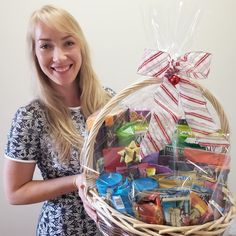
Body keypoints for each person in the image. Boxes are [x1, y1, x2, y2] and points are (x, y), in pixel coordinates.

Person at [3, 4, 114, 236]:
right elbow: (15, 192)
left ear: (81, 46)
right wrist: (76, 181)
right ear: (35, 53)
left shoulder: (109, 102)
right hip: (62, 229)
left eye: (68, 43)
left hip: (114, 226)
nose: (59, 57)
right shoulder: (30, 117)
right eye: (46, 46)